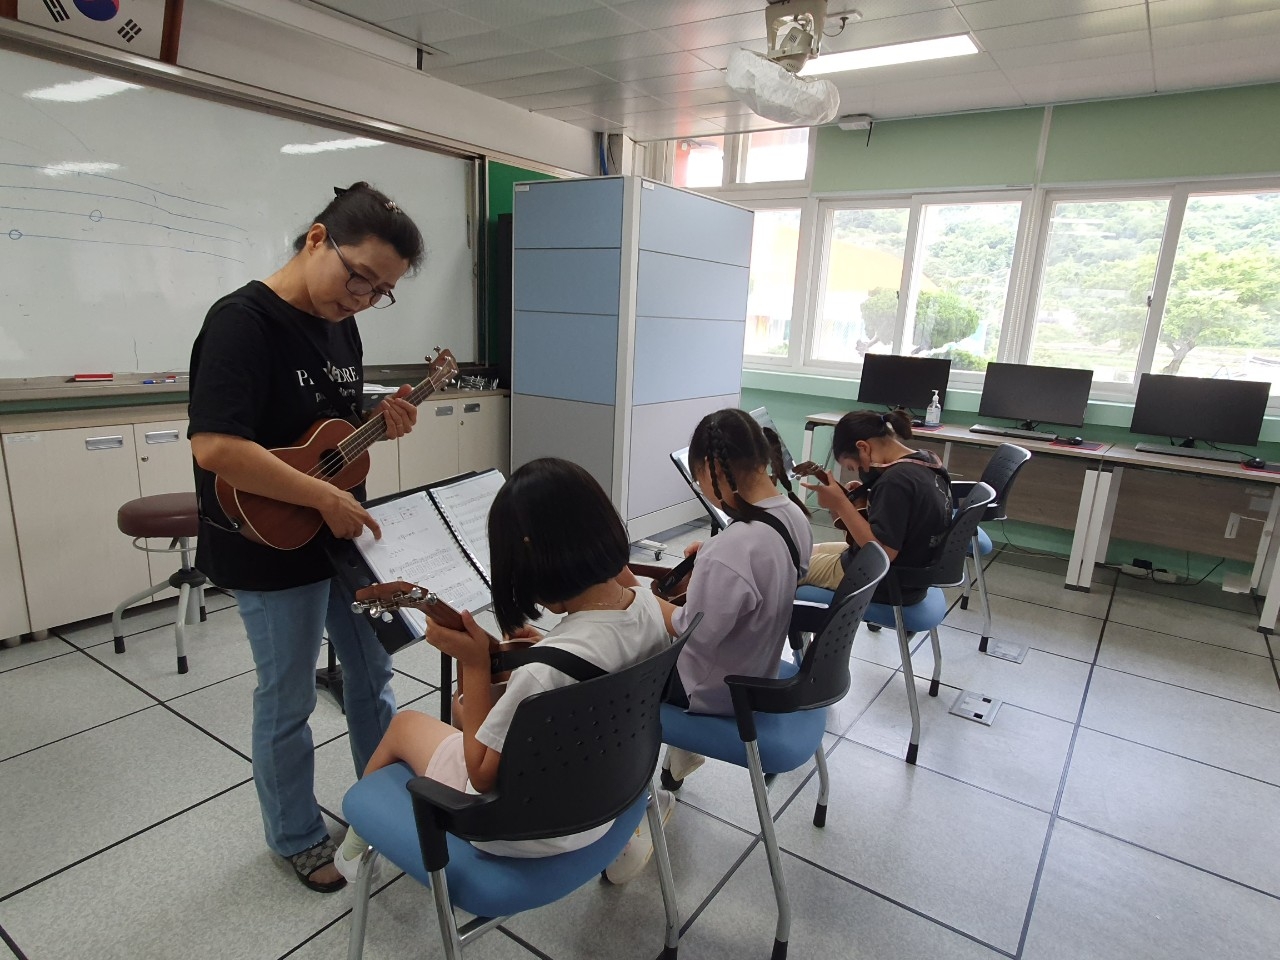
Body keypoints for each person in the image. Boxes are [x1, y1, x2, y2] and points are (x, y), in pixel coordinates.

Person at [188, 182, 424, 892]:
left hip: (343, 536)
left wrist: (381, 419)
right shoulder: (241, 323)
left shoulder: (341, 323)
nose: (363, 299)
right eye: (359, 278)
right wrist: (322, 495)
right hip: (269, 542)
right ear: (318, 238)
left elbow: (325, 427)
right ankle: (295, 836)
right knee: (288, 698)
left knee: (373, 676)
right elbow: (217, 447)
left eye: (381, 292)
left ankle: (379, 806)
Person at [333, 457, 672, 879]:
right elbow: (604, 662)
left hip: (523, 831)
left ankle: (354, 854)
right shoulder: (649, 607)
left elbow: (481, 775)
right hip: (610, 801)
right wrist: (545, 650)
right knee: (469, 711)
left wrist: (474, 664)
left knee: (405, 726)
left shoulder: (545, 672)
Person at [610, 410, 812, 874]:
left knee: (611, 673)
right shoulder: (793, 515)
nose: (699, 487)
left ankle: (631, 820)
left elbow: (687, 631)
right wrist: (710, 569)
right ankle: (683, 754)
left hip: (713, 689)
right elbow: (768, 575)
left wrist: (634, 590)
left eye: (699, 478)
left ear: (715, 470)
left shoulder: (734, 548)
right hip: (758, 666)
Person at [799, 409, 953, 606]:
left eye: (854, 467)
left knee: (787, 569)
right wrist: (866, 498)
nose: (862, 472)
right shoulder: (927, 460)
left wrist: (841, 504)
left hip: (885, 580)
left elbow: (883, 553)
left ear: (863, 447)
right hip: (912, 572)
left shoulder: (895, 482)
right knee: (802, 552)